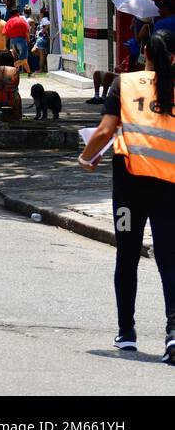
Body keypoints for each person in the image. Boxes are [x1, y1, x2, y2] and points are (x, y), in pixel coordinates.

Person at [79, 27, 175, 361]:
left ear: (143, 51)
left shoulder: (124, 83)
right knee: (170, 260)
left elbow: (106, 130)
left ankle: (127, 332)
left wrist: (86, 157)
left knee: (127, 256)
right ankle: (173, 334)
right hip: (170, 189)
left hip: (129, 188)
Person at [0, 50, 22, 118]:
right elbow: (16, 85)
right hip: (11, 99)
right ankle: (17, 115)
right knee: (16, 92)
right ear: (11, 60)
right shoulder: (15, 71)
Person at [3, 7, 31, 74]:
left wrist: (5, 45)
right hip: (21, 40)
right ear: (17, 13)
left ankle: (29, 73)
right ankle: (11, 67)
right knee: (23, 59)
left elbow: (5, 34)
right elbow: (26, 31)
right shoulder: (21, 20)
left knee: (22, 59)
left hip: (12, 41)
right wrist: (28, 39)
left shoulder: (8, 22)